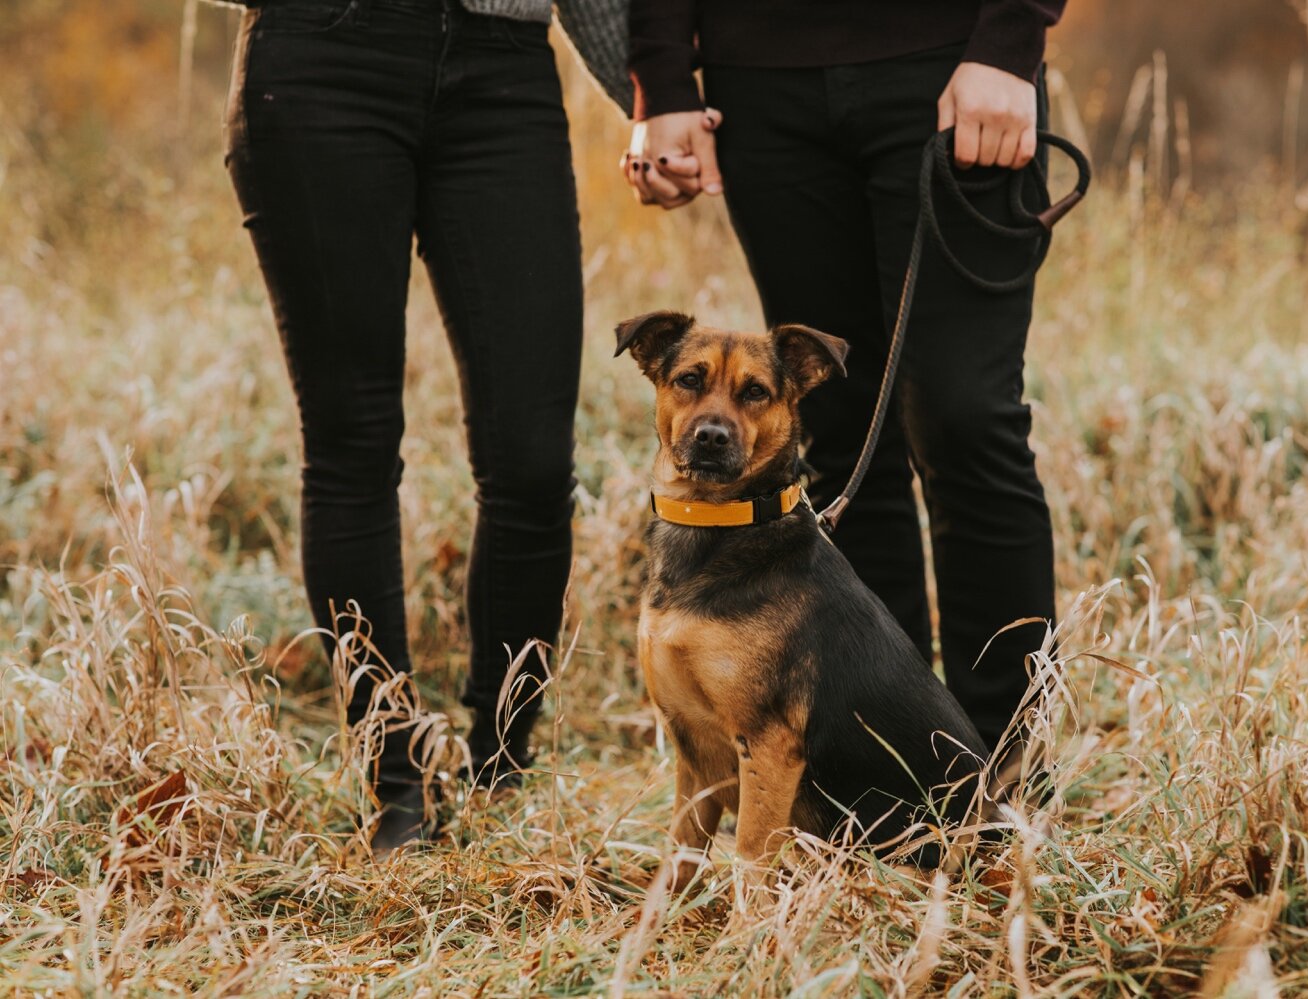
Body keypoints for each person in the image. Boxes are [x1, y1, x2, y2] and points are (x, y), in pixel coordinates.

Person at [221, 0, 628, 852]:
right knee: (352, 445)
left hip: (504, 67)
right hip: (319, 56)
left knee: (531, 457)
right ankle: (395, 784)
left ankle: (501, 771)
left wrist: (656, 88)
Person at [624, 0, 1067, 768]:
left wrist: (1011, 36)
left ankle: (1003, 789)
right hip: (761, 87)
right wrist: (661, 80)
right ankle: (885, 787)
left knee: (966, 418)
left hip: (953, 63)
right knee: (840, 430)